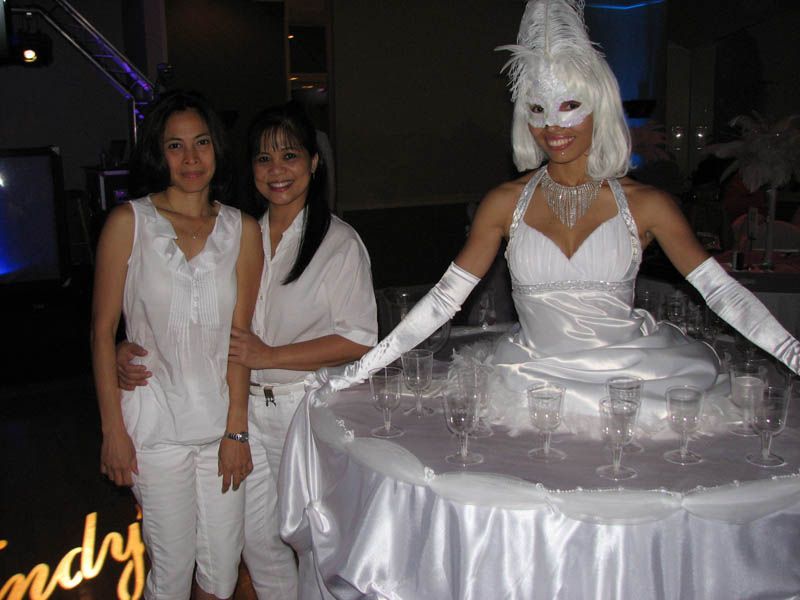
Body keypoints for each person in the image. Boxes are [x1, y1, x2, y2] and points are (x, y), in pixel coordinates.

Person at [319, 0, 799, 432]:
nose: (553, 125)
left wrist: (795, 356)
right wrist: (359, 370)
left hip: (634, 386)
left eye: (570, 105)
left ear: (599, 107)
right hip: (528, 383)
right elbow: (445, 299)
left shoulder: (648, 204)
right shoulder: (504, 202)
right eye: (538, 108)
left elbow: (723, 294)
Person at [118, 101, 378, 598]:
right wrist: (126, 348)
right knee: (259, 545)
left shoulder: (338, 243)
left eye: (290, 156)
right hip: (240, 414)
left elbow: (360, 338)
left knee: (315, 541)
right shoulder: (239, 232)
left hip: (304, 411)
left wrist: (270, 355)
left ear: (314, 163)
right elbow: (192, 310)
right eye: (264, 158)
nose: (276, 170)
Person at [91, 90, 263, 599]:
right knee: (168, 574)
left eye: (201, 143)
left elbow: (241, 339)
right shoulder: (129, 223)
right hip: (154, 426)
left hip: (220, 426)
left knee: (222, 574)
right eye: (175, 146)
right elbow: (102, 331)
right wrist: (112, 431)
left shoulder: (242, 230)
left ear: (217, 149)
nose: (191, 158)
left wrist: (237, 431)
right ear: (158, 153)